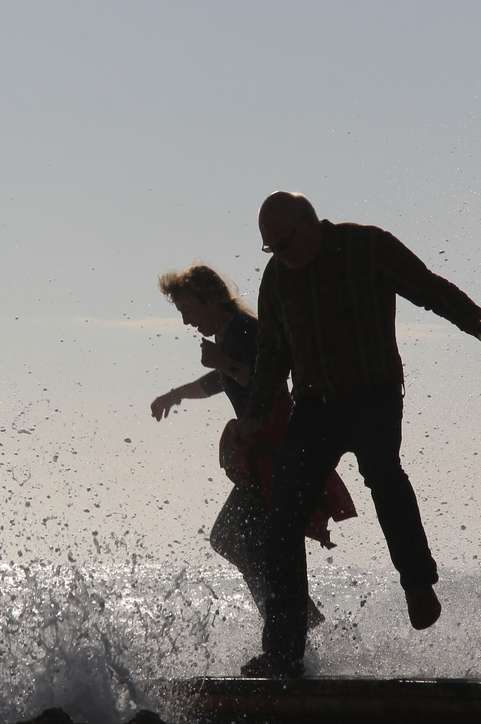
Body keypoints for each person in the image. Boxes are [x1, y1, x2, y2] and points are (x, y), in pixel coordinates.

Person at [236, 192, 481, 678]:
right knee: (282, 518)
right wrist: (253, 415)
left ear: (311, 224)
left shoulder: (367, 247)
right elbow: (271, 352)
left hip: (373, 393)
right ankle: (283, 653)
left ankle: (417, 583)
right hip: (315, 405)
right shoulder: (278, 278)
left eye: (285, 243)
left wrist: (480, 325)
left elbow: (429, 289)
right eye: (271, 249)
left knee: (381, 472)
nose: (282, 255)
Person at [150, 265, 353, 628]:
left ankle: (293, 623)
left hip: (277, 458)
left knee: (236, 539)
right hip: (264, 461)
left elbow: (266, 380)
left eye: (188, 310)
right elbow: (220, 381)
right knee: (237, 541)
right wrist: (176, 394)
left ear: (208, 299)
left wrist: (222, 361)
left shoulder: (247, 330)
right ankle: (296, 620)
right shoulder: (229, 336)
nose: (185, 321)